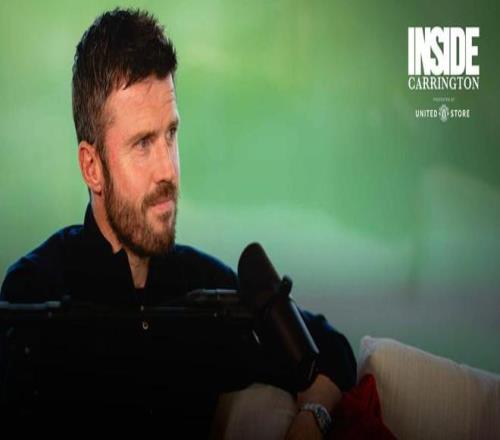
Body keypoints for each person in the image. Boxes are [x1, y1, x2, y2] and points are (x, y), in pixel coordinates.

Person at [0, 8, 356, 437]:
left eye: (170, 134)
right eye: (143, 144)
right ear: (92, 167)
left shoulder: (204, 291)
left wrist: (313, 416)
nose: (167, 169)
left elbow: (332, 352)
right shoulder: (35, 294)